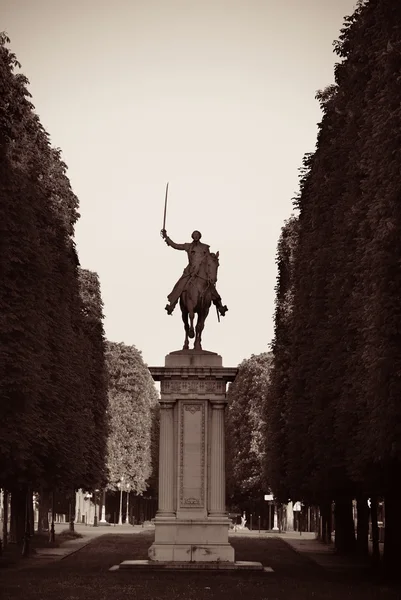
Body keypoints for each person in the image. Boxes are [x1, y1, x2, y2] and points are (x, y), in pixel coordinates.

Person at [161, 229, 228, 316]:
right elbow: (176, 245)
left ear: (200, 236)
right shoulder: (188, 246)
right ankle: (172, 305)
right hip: (190, 271)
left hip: (202, 271)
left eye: (197, 235)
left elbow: (209, 259)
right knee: (180, 285)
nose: (196, 236)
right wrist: (166, 237)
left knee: (211, 287)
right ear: (192, 236)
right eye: (194, 235)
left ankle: (220, 306)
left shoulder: (205, 247)